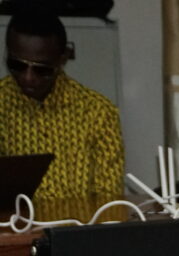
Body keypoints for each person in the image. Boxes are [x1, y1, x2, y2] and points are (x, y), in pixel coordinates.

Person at [0, 5, 125, 204]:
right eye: (17, 65)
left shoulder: (98, 112)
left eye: (42, 70)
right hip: (16, 232)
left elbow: (107, 202)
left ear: (63, 58)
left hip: (78, 232)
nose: (28, 77)